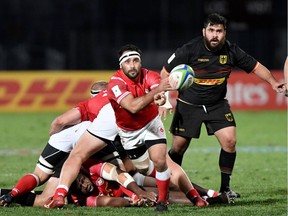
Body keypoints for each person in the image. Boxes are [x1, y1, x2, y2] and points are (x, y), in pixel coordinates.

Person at [160, 13, 285, 197]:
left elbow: (256, 67)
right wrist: (163, 98)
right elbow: (164, 72)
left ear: (225, 33)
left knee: (230, 141)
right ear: (204, 31)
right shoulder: (190, 49)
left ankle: (226, 189)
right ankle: (169, 185)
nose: (215, 35)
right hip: (188, 105)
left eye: (219, 31)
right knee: (178, 147)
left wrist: (273, 83)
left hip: (216, 105)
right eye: (211, 30)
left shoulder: (231, 51)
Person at [107, 44, 208, 212]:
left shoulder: (150, 75)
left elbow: (158, 93)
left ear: (140, 62)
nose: (132, 65)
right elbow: (132, 107)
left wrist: (161, 99)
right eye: (127, 62)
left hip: (151, 124)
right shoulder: (115, 84)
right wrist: (158, 92)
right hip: (129, 133)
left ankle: (163, 202)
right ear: (121, 65)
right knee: (144, 168)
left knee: (161, 161)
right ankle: (188, 192)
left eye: (136, 61)